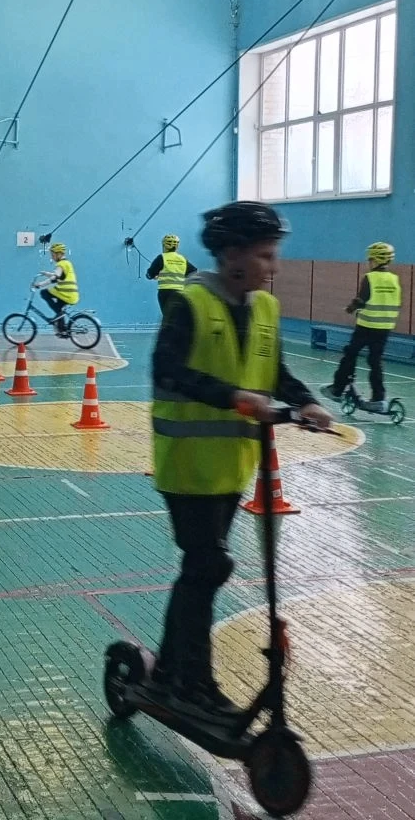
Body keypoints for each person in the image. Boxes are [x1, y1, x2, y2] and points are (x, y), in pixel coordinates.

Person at [149, 201, 331, 720]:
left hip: (232, 465)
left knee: (204, 567)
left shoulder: (265, 308)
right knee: (208, 564)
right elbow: (167, 370)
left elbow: (274, 372)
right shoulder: (190, 302)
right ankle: (192, 684)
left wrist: (306, 402)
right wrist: (235, 397)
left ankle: (167, 674)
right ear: (232, 255)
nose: (274, 266)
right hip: (187, 464)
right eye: (266, 255)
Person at [320, 242, 401, 412]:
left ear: (375, 260)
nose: (368, 262)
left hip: (366, 326)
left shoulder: (370, 278)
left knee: (350, 354)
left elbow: (361, 300)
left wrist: (350, 308)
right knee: (375, 361)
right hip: (385, 328)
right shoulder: (394, 279)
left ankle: (338, 389)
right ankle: (378, 399)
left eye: (370, 259)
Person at [36, 242, 79, 338]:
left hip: (65, 293)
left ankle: (59, 316)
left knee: (44, 293)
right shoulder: (67, 263)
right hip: (70, 294)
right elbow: (60, 276)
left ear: (59, 254)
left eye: (53, 255)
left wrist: (40, 284)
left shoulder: (61, 264)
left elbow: (55, 277)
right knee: (58, 308)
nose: (52, 257)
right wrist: (46, 273)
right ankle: (63, 331)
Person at [146, 234, 197, 314]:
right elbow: (193, 272)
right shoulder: (182, 259)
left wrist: (154, 275)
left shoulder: (162, 257)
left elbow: (150, 274)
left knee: (168, 316)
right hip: (180, 292)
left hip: (165, 292)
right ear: (177, 246)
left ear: (164, 245)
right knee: (178, 316)